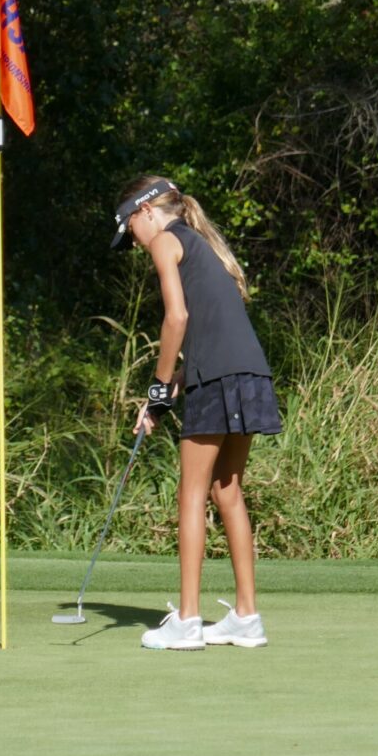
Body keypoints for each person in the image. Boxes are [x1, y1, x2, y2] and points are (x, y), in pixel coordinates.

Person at [109, 176, 281, 650]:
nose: (137, 244)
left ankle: (187, 622)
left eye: (132, 232)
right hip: (250, 375)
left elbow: (177, 320)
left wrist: (158, 395)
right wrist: (169, 391)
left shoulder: (166, 239)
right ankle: (247, 617)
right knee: (228, 491)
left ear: (145, 213)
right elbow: (210, 341)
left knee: (191, 492)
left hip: (223, 381)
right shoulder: (202, 245)